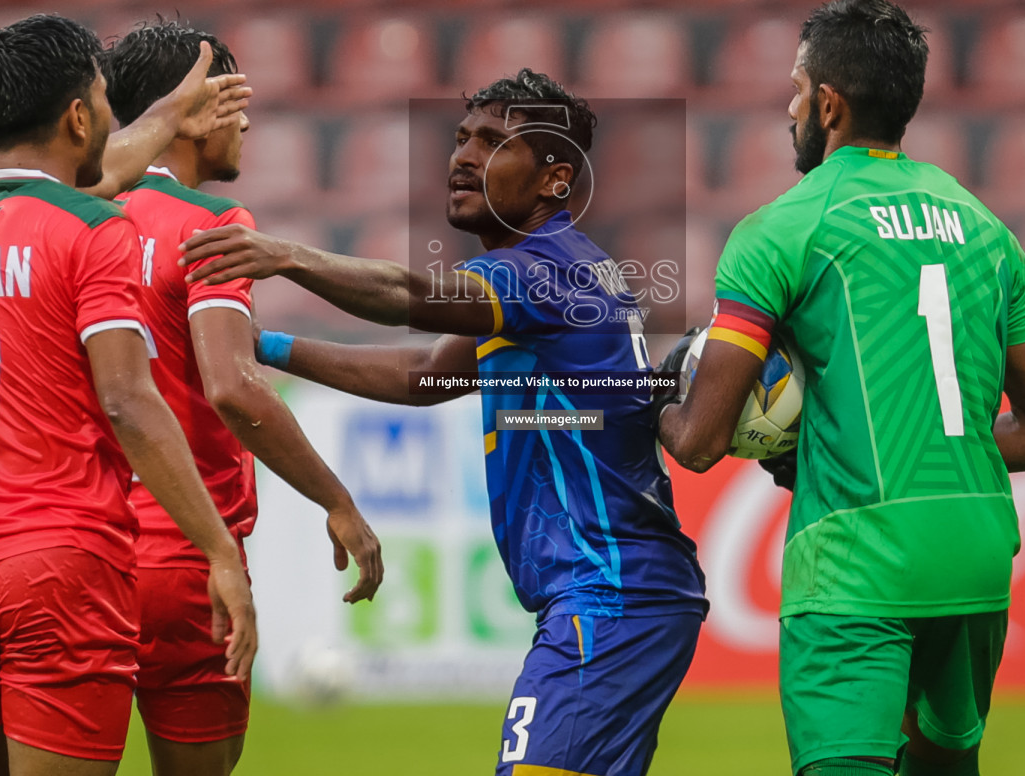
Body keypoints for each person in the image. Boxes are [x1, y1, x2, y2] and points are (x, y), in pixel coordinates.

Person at [177, 70, 708, 776]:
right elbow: (428, 376)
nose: (462, 157)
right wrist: (265, 347)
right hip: (622, 593)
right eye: (461, 138)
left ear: (554, 180)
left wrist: (290, 255)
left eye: (493, 142)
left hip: (609, 594)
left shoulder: (549, 273)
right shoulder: (546, 278)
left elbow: (408, 294)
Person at [656, 0, 1025, 776]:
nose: (789, 108)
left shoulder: (781, 229)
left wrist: (646, 391)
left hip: (856, 564)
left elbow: (700, 442)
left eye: (794, 89)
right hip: (978, 555)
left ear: (827, 103)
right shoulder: (984, 226)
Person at [0, 13, 258, 776]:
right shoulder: (94, 231)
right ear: (77, 115)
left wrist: (166, 114)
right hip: (56, 567)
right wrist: (216, 549)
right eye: (103, 100)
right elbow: (129, 401)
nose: (113, 116)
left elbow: (84, 181)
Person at [104, 19, 384, 776]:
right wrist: (336, 501)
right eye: (232, 98)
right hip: (183, 562)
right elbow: (231, 387)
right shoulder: (210, 226)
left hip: (80, 558)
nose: (248, 120)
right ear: (189, 108)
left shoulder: (68, 222)